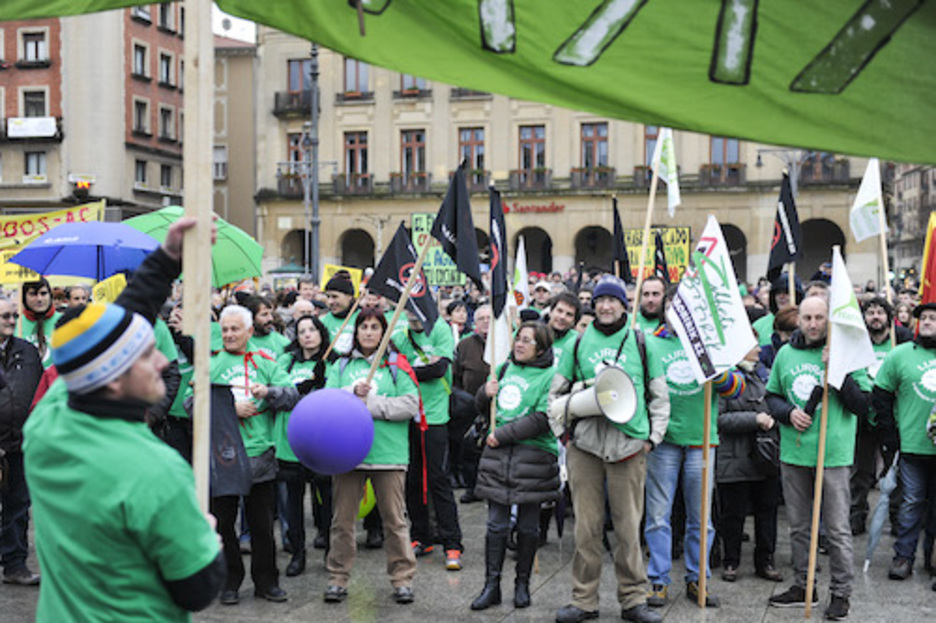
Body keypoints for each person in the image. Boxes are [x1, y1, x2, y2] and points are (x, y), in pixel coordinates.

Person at [23, 218, 225, 620]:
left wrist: (167, 259)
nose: (163, 361)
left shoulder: (46, 426)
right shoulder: (156, 470)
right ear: (114, 380)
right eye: (146, 355)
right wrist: (207, 538)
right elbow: (198, 589)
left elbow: (115, 329)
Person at [550, 275, 669, 623]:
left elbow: (659, 397)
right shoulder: (577, 343)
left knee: (628, 529)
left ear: (623, 305)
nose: (605, 306)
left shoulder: (642, 342)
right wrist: (563, 434)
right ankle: (583, 600)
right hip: (585, 448)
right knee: (586, 529)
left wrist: (652, 438)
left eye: (612, 300)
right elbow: (555, 395)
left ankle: (633, 600)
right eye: (600, 300)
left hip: (629, 447)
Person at [765, 296, 870, 620]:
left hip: (833, 454)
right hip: (795, 452)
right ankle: (803, 585)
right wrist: (788, 413)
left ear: (829, 320)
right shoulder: (786, 353)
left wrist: (837, 372)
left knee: (836, 529)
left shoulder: (846, 355)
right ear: (799, 319)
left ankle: (841, 592)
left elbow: (862, 405)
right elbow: (772, 396)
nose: (813, 324)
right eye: (807, 317)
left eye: (819, 318)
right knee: (799, 526)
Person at [644, 287, 742, 609]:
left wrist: (717, 372)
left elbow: (736, 387)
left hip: (701, 442)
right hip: (663, 441)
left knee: (701, 519)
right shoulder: (650, 342)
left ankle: (697, 578)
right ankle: (658, 580)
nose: (678, 312)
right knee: (658, 515)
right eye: (672, 306)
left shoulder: (709, 345)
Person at [324, 308, 419, 605]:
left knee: (395, 521)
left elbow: (410, 404)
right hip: (348, 454)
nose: (368, 332)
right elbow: (327, 401)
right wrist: (351, 393)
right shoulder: (341, 365)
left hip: (388, 454)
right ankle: (337, 578)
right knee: (342, 521)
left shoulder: (397, 365)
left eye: (375, 327)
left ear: (384, 332)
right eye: (363, 326)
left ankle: (402, 579)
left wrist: (370, 404)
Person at [210, 304, 300, 606]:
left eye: (235, 329)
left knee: (262, 525)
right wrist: (229, 409)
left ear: (249, 331)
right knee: (224, 525)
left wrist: (268, 393)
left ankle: (266, 582)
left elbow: (292, 396)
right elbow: (190, 403)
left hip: (260, 455)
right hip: (222, 458)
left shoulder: (264, 362)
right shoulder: (210, 363)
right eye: (225, 329)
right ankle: (229, 582)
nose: (229, 334)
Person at [471, 321, 559, 611]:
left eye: (527, 341)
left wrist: (503, 434)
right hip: (498, 457)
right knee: (496, 525)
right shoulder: (505, 368)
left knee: (528, 527)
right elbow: (484, 408)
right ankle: (491, 586)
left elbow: (543, 417)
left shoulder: (551, 376)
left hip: (533, 459)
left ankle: (522, 585)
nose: (519, 344)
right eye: (518, 339)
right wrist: (484, 393)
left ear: (541, 348)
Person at [394, 311, 465, 570]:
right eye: (408, 307)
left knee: (438, 479)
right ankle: (420, 537)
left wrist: (408, 370)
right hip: (407, 415)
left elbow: (439, 369)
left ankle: (452, 543)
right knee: (412, 479)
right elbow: (391, 370)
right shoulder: (399, 334)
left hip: (434, 417)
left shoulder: (440, 329)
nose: (413, 313)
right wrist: (418, 371)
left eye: (417, 307)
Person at [874, 302, 936, 583]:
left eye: (933, 318)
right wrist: (890, 436)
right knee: (910, 503)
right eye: (924, 318)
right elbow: (881, 395)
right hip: (911, 446)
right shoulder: (899, 355)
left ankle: (932, 558)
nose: (928, 322)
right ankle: (903, 556)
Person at [716, 338, 783, 583]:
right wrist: (755, 419)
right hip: (734, 459)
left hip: (765, 457)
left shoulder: (766, 376)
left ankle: (765, 561)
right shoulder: (725, 378)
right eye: (753, 344)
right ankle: (731, 561)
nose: (759, 349)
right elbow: (719, 419)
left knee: (767, 511)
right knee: (733, 514)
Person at [849, 297, 912, 535]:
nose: (875, 317)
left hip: (893, 416)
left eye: (880, 312)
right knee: (860, 472)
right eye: (871, 313)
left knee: (895, 470)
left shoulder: (902, 340)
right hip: (865, 417)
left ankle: (896, 516)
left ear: (889, 316)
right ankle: (857, 514)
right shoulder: (857, 342)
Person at [275, 314, 330, 576]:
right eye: (301, 331)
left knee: (327, 500)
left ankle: (330, 549)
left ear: (321, 332)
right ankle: (297, 553)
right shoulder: (286, 361)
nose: (307, 335)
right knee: (293, 503)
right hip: (290, 441)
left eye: (312, 329)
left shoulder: (332, 360)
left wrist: (323, 380)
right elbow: (279, 393)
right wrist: (304, 387)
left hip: (322, 440)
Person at [0, 297, 43, 586]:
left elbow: (38, 390)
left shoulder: (27, 351)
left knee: (17, 506)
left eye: (14, 316)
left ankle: (15, 565)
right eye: (5, 316)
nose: (12, 321)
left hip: (19, 443)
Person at [453, 304, 491, 503]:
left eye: (489, 318)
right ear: (474, 323)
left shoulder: (506, 343)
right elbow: (456, 376)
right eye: (481, 318)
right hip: (471, 408)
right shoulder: (465, 345)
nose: (486, 322)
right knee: (469, 452)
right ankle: (472, 487)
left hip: (498, 409)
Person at [16, 277, 60, 367]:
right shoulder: (15, 323)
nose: (39, 299)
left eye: (43, 293)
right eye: (33, 294)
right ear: (24, 297)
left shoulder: (64, 321)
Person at [752, 273, 803, 347]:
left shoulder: (806, 322)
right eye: (778, 293)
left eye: (786, 292)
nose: (781, 296)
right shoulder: (758, 326)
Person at [319, 275, 358, 355]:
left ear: (349, 296)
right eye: (328, 297)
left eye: (335, 297)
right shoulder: (322, 321)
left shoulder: (364, 318)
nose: (330, 302)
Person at [246, 295, 290, 359]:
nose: (270, 319)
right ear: (251, 318)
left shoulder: (284, 343)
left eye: (271, 314)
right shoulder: (241, 342)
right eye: (264, 314)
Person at [548, 292, 582, 367]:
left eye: (569, 314)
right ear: (550, 312)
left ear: (574, 321)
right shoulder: (535, 334)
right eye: (559, 311)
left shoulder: (578, 342)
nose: (562, 317)